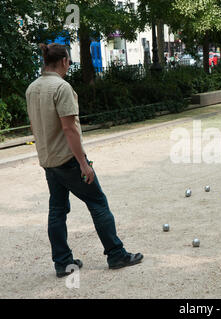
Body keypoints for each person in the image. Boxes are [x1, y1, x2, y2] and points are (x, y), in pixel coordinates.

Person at [25, 43, 143, 278]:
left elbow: (34, 126)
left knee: (57, 210)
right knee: (97, 202)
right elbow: (69, 129)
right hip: (67, 160)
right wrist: (83, 163)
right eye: (69, 61)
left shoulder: (32, 88)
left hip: (48, 161)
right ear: (64, 61)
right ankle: (116, 254)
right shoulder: (61, 87)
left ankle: (62, 262)